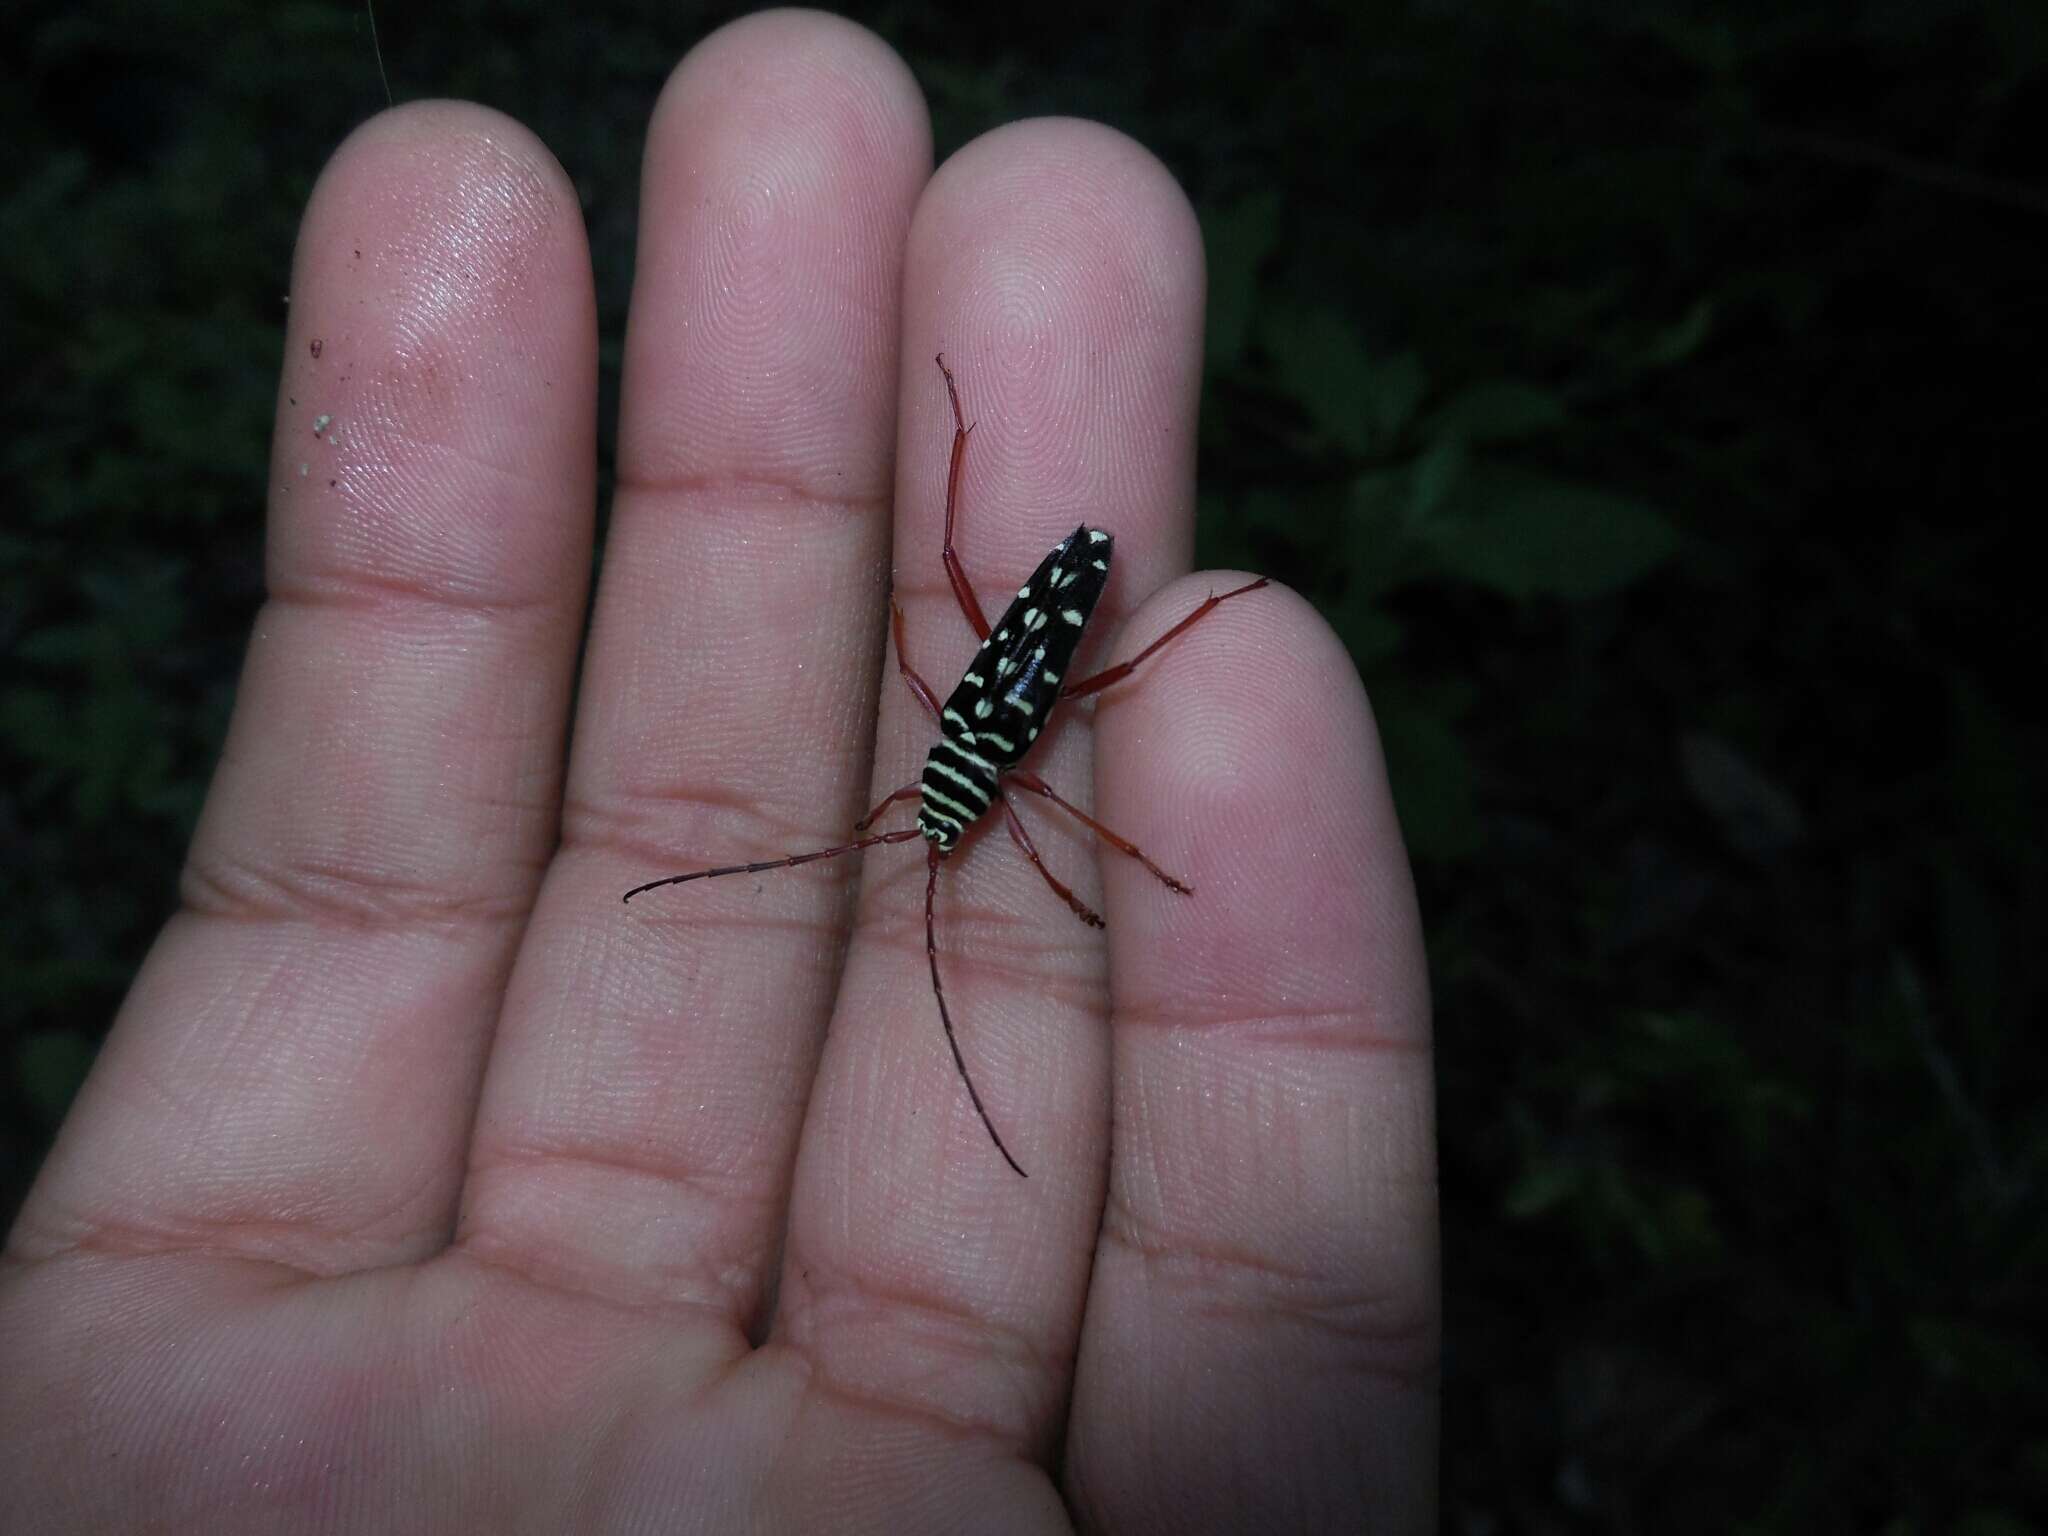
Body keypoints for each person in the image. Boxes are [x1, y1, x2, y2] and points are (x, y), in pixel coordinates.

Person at [0, 13, 1437, 1531]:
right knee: (1037, 657)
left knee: (1072, 650)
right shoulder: (970, 777)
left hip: (1044, 621)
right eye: (938, 824)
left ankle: (1192, 603)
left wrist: (1105, 859)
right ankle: (1163, 594)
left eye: (940, 823)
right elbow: (972, 759)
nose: (940, 833)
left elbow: (962, 737)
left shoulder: (964, 766)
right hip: (1023, 664)